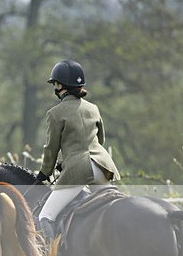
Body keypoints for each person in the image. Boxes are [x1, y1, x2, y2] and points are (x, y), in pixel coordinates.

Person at [34, 59, 120, 241]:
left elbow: (51, 148)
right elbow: (100, 140)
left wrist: (45, 172)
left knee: (45, 217)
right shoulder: (93, 108)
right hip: (103, 167)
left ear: (59, 85)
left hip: (78, 171)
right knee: (114, 209)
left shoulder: (55, 113)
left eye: (55, 84)